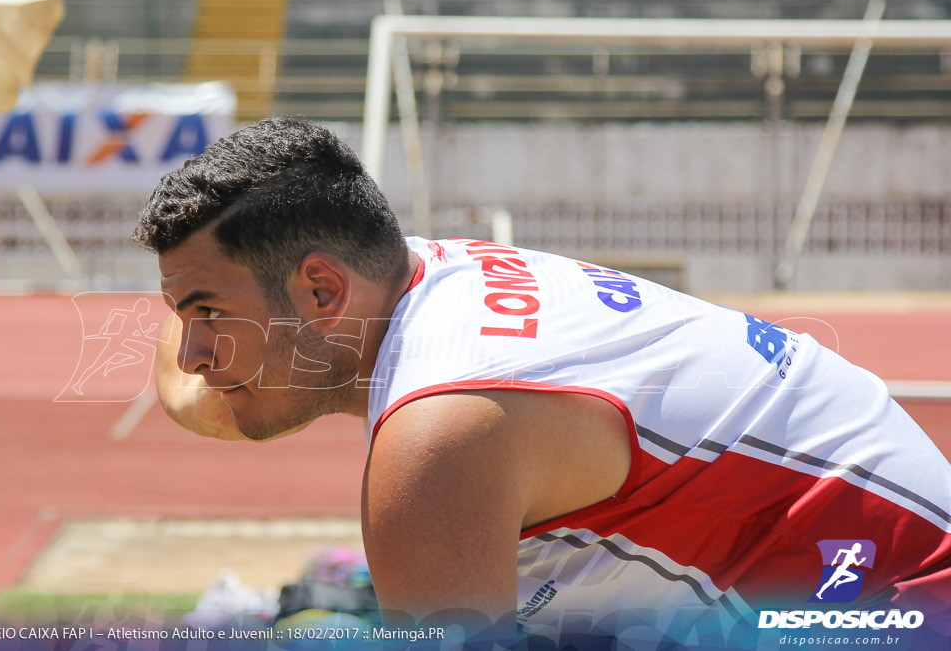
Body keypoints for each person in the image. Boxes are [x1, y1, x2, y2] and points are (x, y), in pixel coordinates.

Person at [134, 118, 951, 648]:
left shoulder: (438, 435)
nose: (197, 353)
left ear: (320, 290)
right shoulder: (419, 272)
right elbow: (211, 398)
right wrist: (192, 295)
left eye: (210, 312)